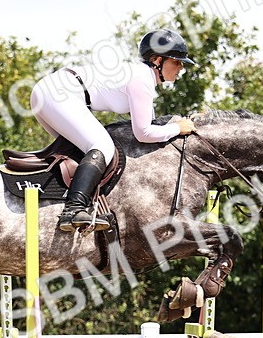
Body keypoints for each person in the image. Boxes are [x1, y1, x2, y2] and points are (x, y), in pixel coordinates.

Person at [30, 28, 197, 232]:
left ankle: (74, 205)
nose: (181, 67)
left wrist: (180, 124)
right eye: (176, 61)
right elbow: (143, 133)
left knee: (83, 152)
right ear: (157, 60)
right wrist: (178, 128)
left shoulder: (141, 76)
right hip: (59, 94)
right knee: (103, 146)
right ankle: (73, 209)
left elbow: (152, 125)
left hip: (50, 92)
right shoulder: (142, 79)